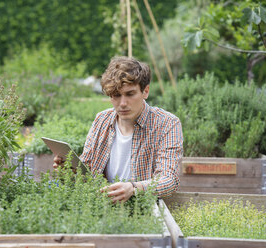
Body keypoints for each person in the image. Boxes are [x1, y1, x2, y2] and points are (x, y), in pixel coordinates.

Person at [53, 56, 183, 202]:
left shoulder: (166, 123)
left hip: (143, 209)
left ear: (145, 91)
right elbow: (87, 171)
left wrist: (134, 188)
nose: (122, 103)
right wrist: (70, 170)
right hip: (101, 205)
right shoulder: (101, 120)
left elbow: (169, 180)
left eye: (130, 94)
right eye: (116, 96)